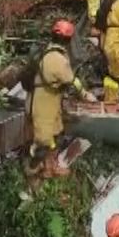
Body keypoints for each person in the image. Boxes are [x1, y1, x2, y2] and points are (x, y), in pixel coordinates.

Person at [29, 19, 85, 173]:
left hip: (49, 99)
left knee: (55, 135)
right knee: (44, 140)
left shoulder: (48, 52)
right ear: (67, 40)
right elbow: (71, 80)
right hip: (44, 102)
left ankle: (49, 167)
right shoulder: (57, 58)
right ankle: (32, 169)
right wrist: (85, 94)